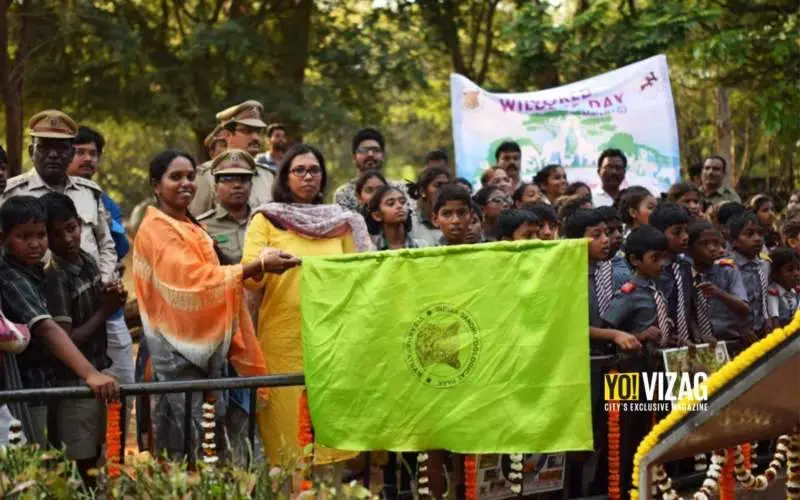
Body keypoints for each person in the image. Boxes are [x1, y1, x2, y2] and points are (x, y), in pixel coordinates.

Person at [134, 150, 296, 459]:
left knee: (221, 447)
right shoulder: (156, 230)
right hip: (176, 358)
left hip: (212, 353)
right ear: (156, 185)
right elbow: (195, 281)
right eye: (175, 177)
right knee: (191, 452)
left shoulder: (192, 227)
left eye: (190, 177)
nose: (186, 184)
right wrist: (257, 266)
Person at [242, 143, 370, 466]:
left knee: (333, 443)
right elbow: (250, 281)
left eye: (314, 170)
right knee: (287, 448)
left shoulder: (343, 222)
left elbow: (363, 276)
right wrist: (263, 262)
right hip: (283, 342)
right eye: (299, 170)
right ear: (285, 177)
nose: (308, 177)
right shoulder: (267, 220)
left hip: (334, 342)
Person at [0, 196, 119, 447]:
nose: (35, 244)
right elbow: (46, 327)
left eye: (40, 235)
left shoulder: (33, 270)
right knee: (30, 456)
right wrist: (90, 374)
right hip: (24, 386)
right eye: (24, 237)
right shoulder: (11, 276)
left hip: (44, 381)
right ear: (4, 239)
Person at [40, 192, 126, 484]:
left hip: (95, 373)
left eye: (71, 228)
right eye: (56, 234)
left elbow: (99, 303)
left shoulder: (87, 259)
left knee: (98, 453)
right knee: (79, 463)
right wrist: (105, 310)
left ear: (80, 224)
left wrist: (112, 298)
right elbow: (65, 339)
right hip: (71, 381)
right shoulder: (55, 275)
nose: (67, 239)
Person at [0, 110, 118, 283]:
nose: (53, 154)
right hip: (35, 301)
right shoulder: (10, 192)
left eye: (61, 148)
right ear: (31, 151)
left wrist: (104, 284)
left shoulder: (89, 192)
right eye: (44, 147)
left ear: (71, 153)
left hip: (90, 296)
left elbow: (105, 244)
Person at [65, 125, 134, 402]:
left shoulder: (103, 200)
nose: (87, 159)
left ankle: (117, 445)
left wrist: (108, 280)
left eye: (93, 153)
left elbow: (116, 248)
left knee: (123, 384)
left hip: (108, 309)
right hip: (67, 312)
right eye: (79, 152)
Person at [190, 100, 275, 215]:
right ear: (227, 135)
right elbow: (196, 222)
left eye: (258, 131)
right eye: (246, 131)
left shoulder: (268, 176)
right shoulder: (208, 174)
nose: (255, 137)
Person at [686, 220, 750, 343]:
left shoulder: (728, 271)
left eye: (716, 243)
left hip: (729, 340)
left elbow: (744, 309)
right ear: (690, 249)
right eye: (704, 244)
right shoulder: (684, 275)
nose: (712, 248)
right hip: (698, 342)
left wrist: (718, 293)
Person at [197, 149, 257, 264]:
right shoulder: (202, 227)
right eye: (228, 179)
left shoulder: (264, 220)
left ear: (251, 186)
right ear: (215, 188)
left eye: (243, 179)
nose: (237, 185)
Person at [649, 203, 694, 344]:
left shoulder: (685, 265)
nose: (685, 237)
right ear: (658, 233)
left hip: (684, 340)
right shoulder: (653, 269)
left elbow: (687, 306)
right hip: (658, 340)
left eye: (686, 231)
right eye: (677, 232)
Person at [334, 128, 406, 212]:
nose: (370, 154)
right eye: (363, 150)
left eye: (376, 150)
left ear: (382, 156)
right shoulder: (344, 193)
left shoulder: (400, 188)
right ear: (354, 158)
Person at [728, 211, 771, 337]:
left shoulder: (765, 264)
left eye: (760, 233)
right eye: (750, 234)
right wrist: (740, 329)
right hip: (737, 334)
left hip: (761, 331)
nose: (758, 238)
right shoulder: (728, 268)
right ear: (734, 241)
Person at [367, 184, 425, 250]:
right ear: (377, 215)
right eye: (391, 203)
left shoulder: (422, 246)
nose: (399, 206)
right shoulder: (372, 250)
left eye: (402, 202)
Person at [408, 166, 452, 246]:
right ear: (422, 191)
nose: (444, 190)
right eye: (438, 185)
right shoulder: (410, 224)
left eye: (447, 185)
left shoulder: (455, 221)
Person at [767, 247, 800, 328]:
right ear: (775, 274)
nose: (796, 274)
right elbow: (775, 324)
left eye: (799, 268)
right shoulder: (772, 292)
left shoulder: (796, 290)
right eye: (790, 270)